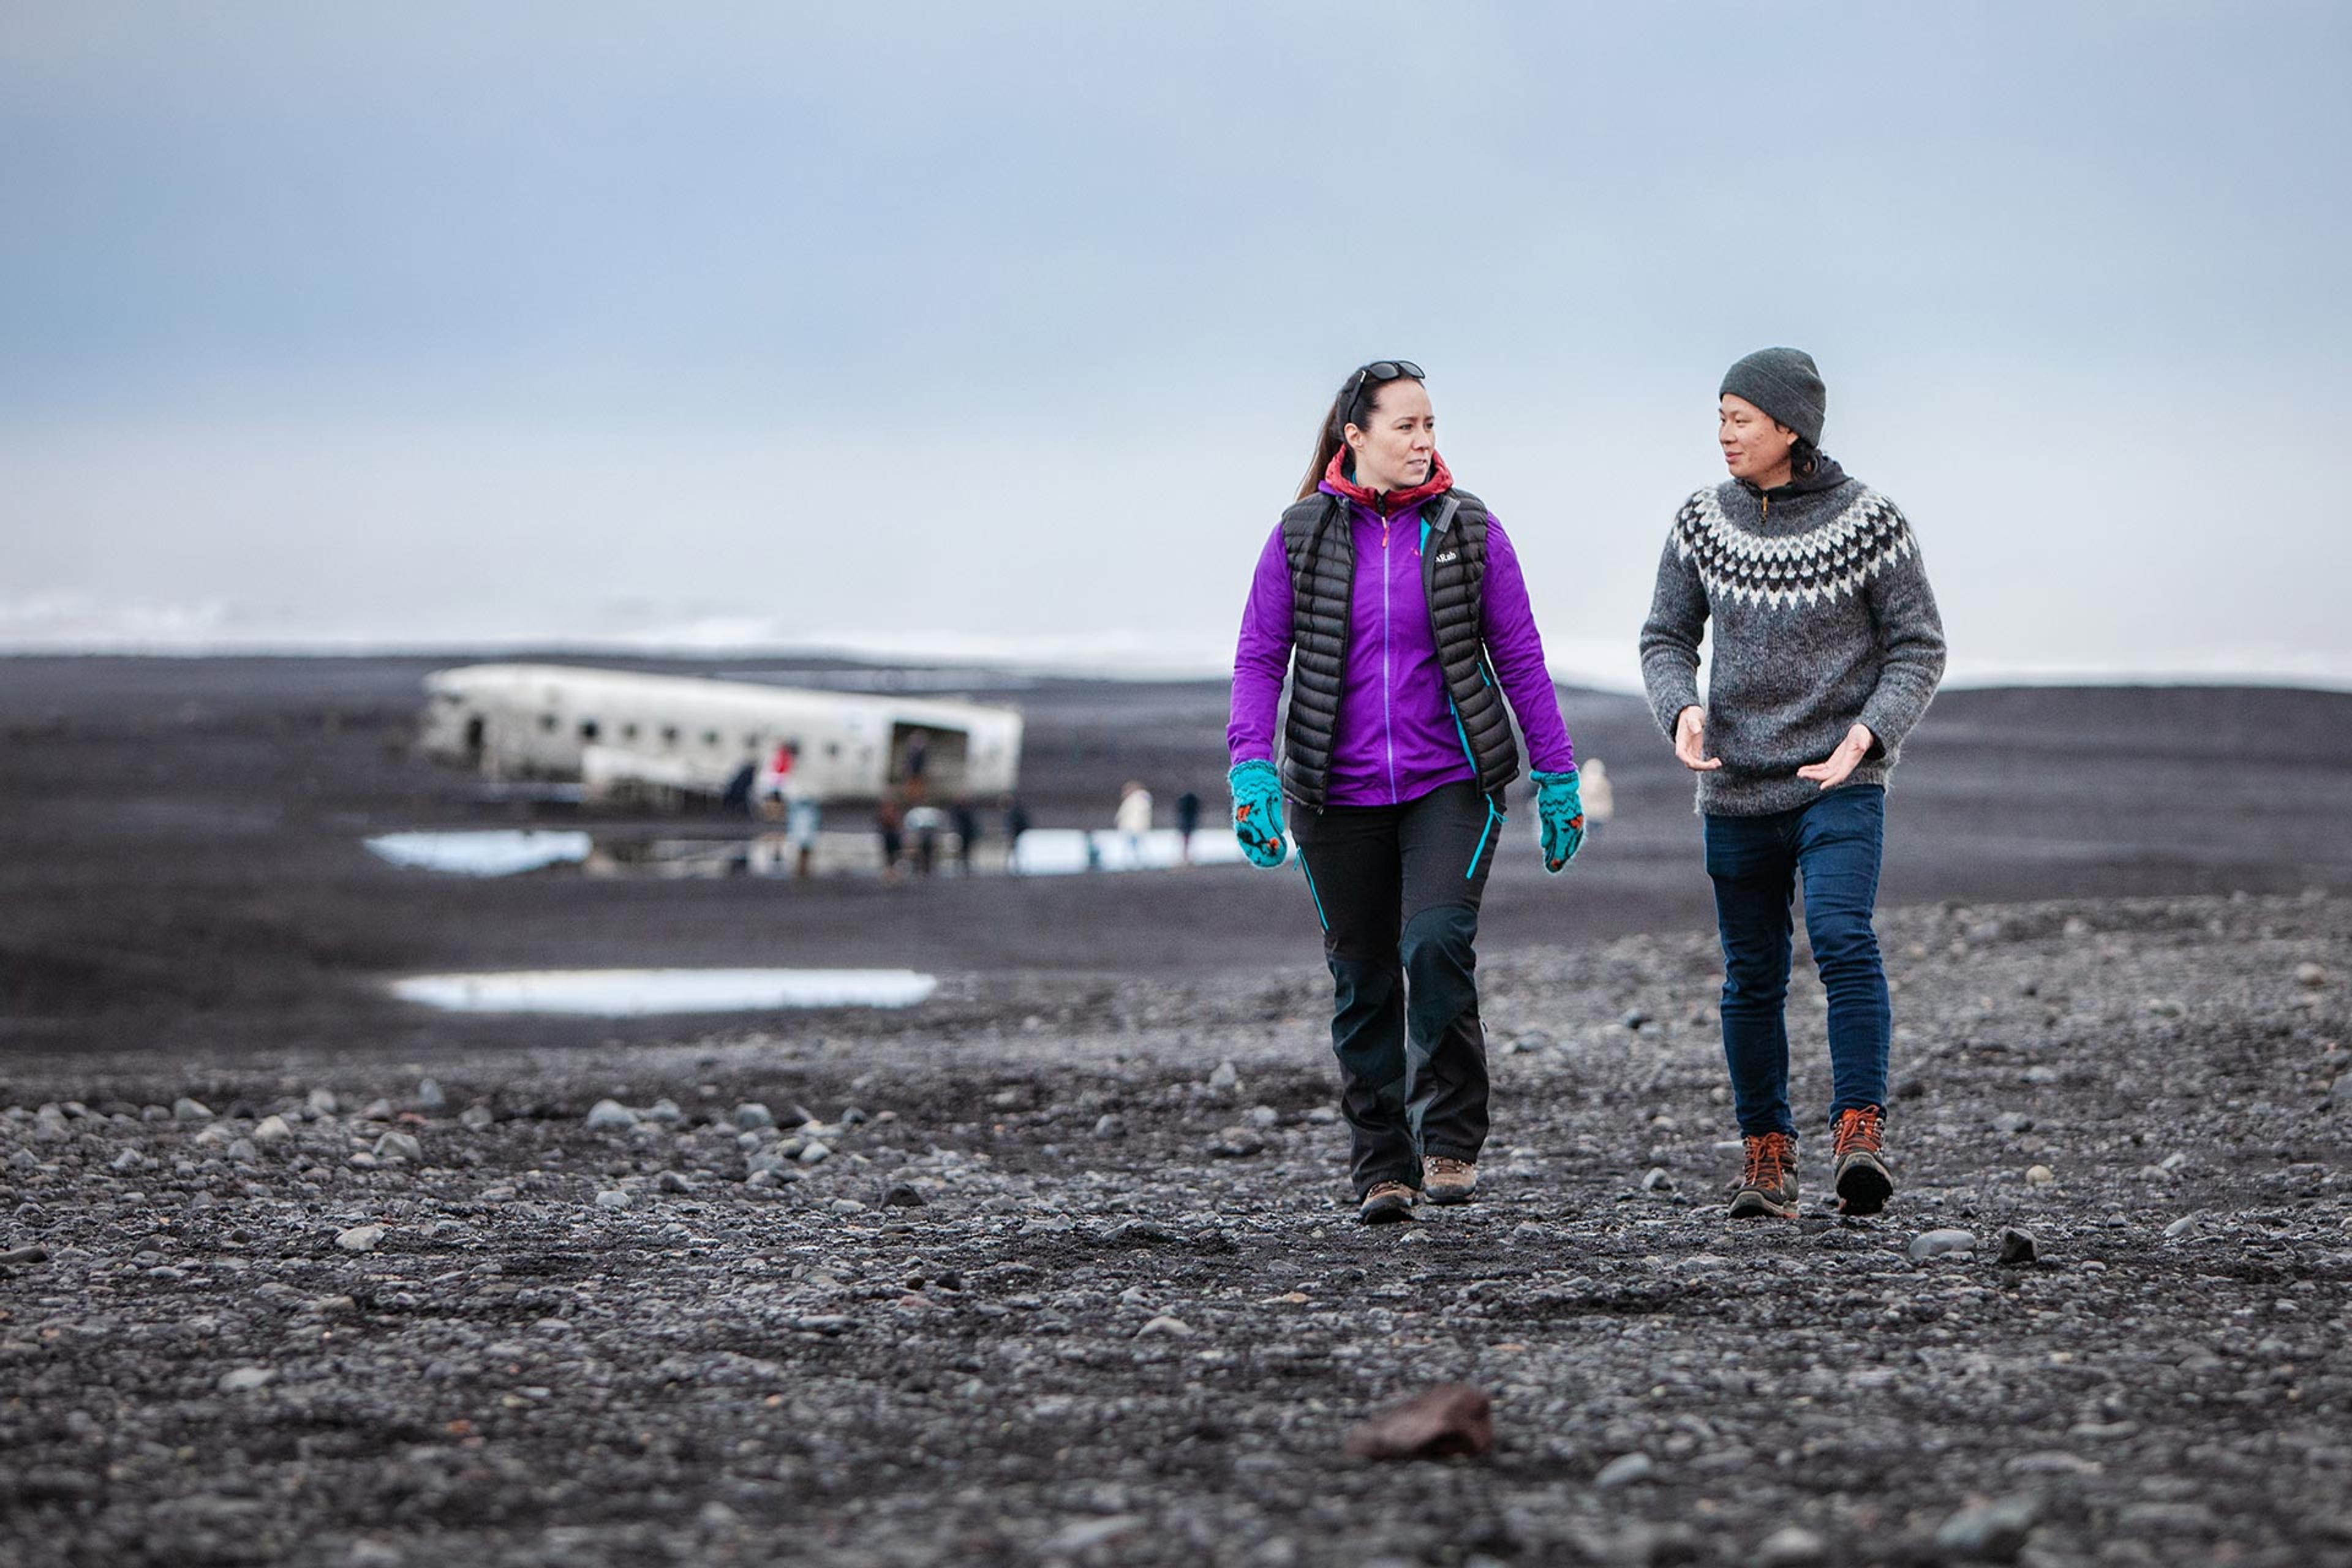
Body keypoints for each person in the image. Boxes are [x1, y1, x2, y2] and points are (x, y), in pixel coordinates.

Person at [1229, 359, 1585, 1224]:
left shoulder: (1469, 529)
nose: (1425, 443)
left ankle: (1452, 1140)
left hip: (1450, 783)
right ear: (1356, 437)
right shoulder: (1301, 535)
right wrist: (1251, 770)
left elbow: (1522, 657)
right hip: (1331, 791)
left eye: (1431, 426)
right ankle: (1383, 1165)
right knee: (1361, 978)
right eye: (1407, 427)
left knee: (1433, 946)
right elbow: (1259, 658)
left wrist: (1559, 773)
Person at [1638, 347, 1947, 1221]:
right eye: (1721, 417)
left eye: (1741, 418)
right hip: (1734, 787)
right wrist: (1680, 710)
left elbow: (1919, 644)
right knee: (1752, 975)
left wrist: (1869, 735)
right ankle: (1767, 1158)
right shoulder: (1701, 519)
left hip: (1840, 781)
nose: (1724, 434)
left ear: (1790, 427)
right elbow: (1665, 635)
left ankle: (1860, 1136)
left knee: (1844, 938)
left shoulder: (1869, 521)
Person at [1115, 781, 1153, 869]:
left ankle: (1138, 861)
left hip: (1134, 826)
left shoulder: (1139, 799)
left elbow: (1139, 814)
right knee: (1134, 844)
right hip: (1132, 826)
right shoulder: (1134, 799)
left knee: (1136, 844)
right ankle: (1137, 861)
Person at [1174, 790, 1202, 865]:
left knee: (1186, 842)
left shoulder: (1184, 804)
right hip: (1189, 824)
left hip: (1185, 825)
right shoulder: (1192, 804)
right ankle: (1186, 857)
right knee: (1187, 842)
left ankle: (1185, 857)